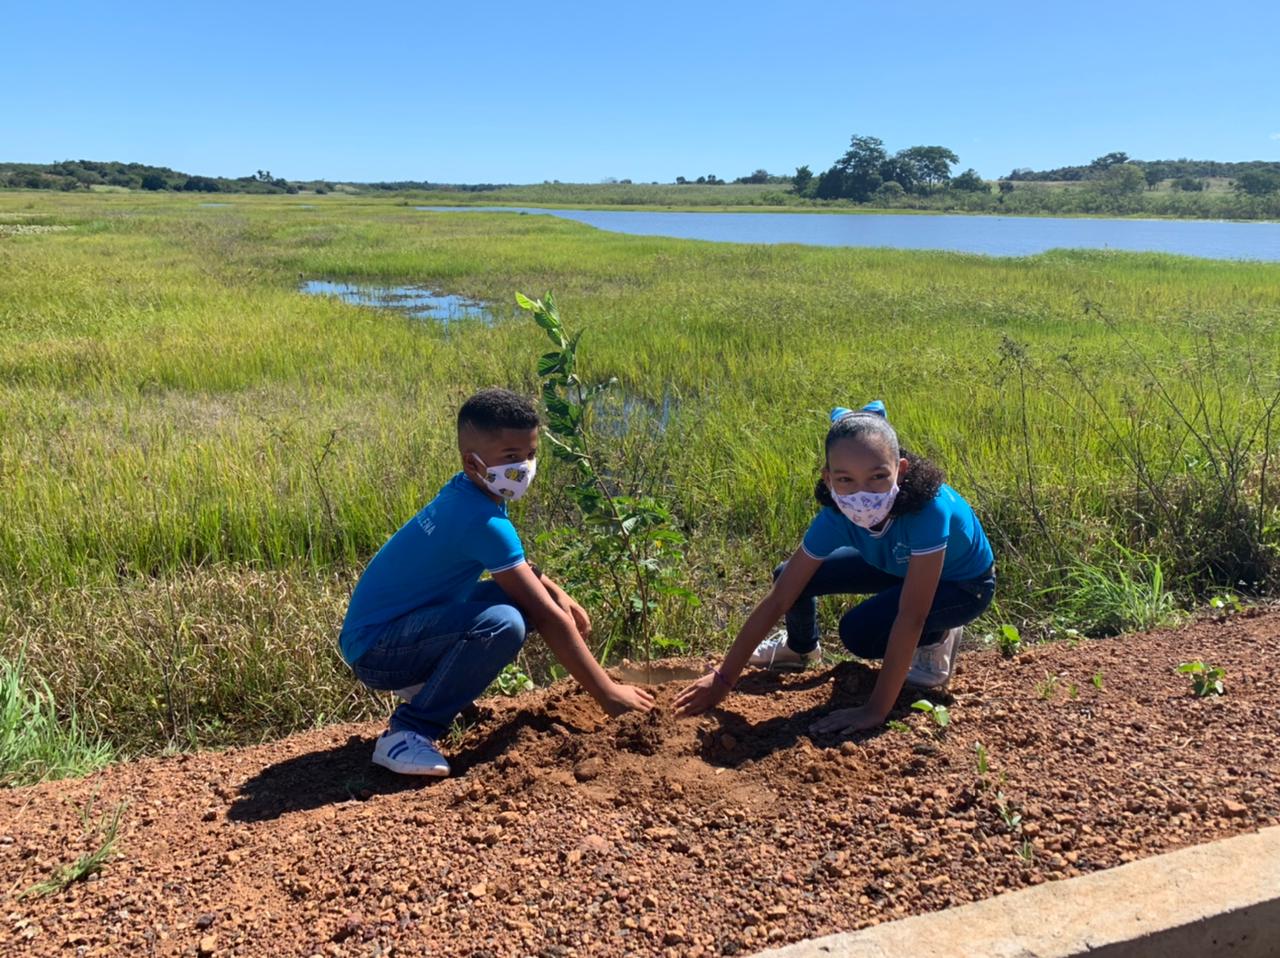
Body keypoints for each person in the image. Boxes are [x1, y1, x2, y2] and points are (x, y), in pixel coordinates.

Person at [340, 387, 654, 776]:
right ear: (472, 462)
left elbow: (518, 570)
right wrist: (607, 692)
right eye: (510, 457)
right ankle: (409, 732)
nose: (524, 467)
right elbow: (545, 614)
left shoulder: (468, 492)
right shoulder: (480, 519)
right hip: (378, 651)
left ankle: (430, 685)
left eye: (530, 454)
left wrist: (561, 594)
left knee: (521, 602)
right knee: (504, 622)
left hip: (393, 627)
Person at [675, 401, 995, 736]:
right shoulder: (835, 516)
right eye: (845, 479)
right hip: (898, 563)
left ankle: (937, 636)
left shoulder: (930, 512)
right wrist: (723, 678)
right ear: (828, 479)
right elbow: (780, 597)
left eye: (877, 476)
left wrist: (875, 710)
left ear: (900, 470)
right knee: (789, 575)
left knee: (859, 634)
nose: (862, 492)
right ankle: (800, 649)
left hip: (962, 584)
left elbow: (911, 615)